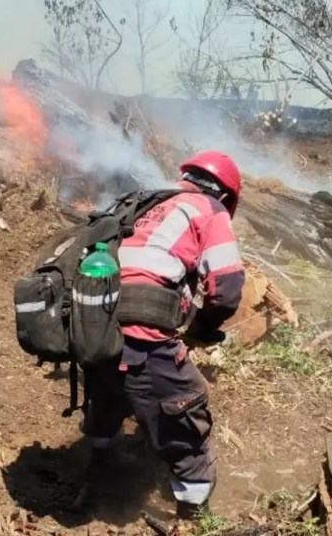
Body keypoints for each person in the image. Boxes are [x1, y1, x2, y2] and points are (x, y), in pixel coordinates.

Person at [79, 151, 246, 519]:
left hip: (93, 323)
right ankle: (193, 516)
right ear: (225, 195)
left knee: (109, 391)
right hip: (142, 330)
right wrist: (202, 328)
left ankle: (98, 472)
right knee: (186, 411)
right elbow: (227, 288)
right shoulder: (210, 209)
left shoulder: (145, 201)